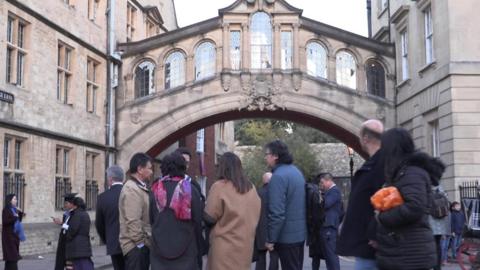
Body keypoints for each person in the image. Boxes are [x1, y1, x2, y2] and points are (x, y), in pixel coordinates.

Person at [375, 128, 438, 270]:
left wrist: (382, 217)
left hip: (410, 255)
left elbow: (414, 207)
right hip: (402, 252)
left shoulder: (412, 173)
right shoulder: (402, 172)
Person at [336, 119, 384, 270]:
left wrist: (375, 233)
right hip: (367, 245)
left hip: (371, 246)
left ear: (365, 138)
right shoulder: (376, 163)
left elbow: (387, 203)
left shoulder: (380, 165)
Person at [204, 152, 261, 270]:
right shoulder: (251, 188)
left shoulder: (219, 186)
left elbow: (210, 217)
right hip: (245, 247)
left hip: (224, 247)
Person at [149, 152, 204, 270]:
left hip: (159, 250)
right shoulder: (190, 189)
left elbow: (151, 219)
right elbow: (198, 221)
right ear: (183, 167)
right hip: (186, 250)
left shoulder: (155, 189)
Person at [264, 140, 307, 270]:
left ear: (275, 156)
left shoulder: (277, 177)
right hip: (299, 236)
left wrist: (271, 239)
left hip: (286, 238)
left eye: (267, 154)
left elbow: (277, 213)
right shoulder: (297, 172)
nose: (265, 157)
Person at [119, 152, 153, 270]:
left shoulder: (138, 187)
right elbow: (132, 221)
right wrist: (141, 244)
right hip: (135, 248)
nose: (151, 171)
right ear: (140, 169)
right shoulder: (132, 189)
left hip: (139, 247)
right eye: (149, 168)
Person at [95, 165, 125, 270]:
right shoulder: (132, 193)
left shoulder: (103, 198)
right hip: (133, 243)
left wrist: (107, 239)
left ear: (110, 179)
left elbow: (99, 224)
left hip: (114, 243)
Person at [317, 173, 342, 270]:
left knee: (331, 255)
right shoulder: (330, 191)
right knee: (328, 255)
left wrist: (320, 197)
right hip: (327, 226)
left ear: (328, 181)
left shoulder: (334, 191)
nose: (321, 184)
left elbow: (326, 204)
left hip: (329, 227)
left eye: (322, 182)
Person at [255, 172, 279, 270]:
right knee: (274, 256)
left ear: (263, 180)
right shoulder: (278, 193)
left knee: (260, 256)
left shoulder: (258, 193)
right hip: (274, 228)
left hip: (261, 229)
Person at [64, 197, 93, 270]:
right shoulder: (85, 214)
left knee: (77, 266)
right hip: (84, 245)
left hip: (76, 247)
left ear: (75, 205)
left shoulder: (76, 215)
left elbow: (73, 230)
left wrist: (67, 236)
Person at [429, 184, 451, 269]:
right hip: (440, 223)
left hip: (430, 222)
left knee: (429, 246)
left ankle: (432, 265)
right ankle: (437, 267)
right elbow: (447, 205)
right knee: (438, 245)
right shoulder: (440, 188)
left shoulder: (426, 187)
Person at [53, 193, 77, 270]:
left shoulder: (76, 215)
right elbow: (65, 226)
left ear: (72, 204)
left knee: (69, 264)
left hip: (70, 242)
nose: (65, 205)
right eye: (65, 203)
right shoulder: (66, 214)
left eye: (66, 203)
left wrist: (61, 223)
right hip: (63, 240)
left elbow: (72, 228)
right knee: (59, 262)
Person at [2, 194, 25, 270]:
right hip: (8, 238)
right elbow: (5, 222)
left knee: (11, 259)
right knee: (12, 258)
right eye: (14, 199)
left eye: (16, 199)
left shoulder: (14, 210)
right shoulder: (6, 210)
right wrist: (15, 216)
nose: (16, 201)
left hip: (14, 237)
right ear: (10, 200)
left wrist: (20, 213)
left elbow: (18, 221)